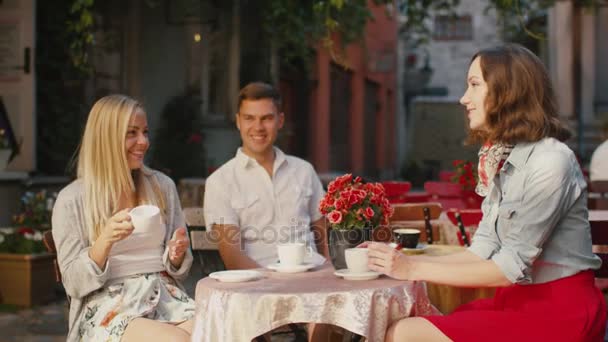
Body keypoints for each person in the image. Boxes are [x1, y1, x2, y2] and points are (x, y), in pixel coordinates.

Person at [366, 44, 606, 342]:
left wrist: (412, 267)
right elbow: (481, 251)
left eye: (474, 85)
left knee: (404, 333)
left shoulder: (551, 160)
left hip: (562, 313)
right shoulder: (503, 158)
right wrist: (394, 261)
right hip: (520, 302)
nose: (464, 98)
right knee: (410, 320)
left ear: (508, 91)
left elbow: (508, 269)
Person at [52, 95, 195, 342]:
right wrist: (104, 241)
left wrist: (176, 254)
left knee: (220, 331)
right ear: (106, 138)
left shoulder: (162, 186)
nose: (143, 142)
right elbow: (73, 284)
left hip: (166, 297)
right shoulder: (72, 200)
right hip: (109, 307)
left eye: (145, 132)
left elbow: (179, 270)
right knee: (176, 340)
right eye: (132, 133)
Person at [203, 81, 330, 340]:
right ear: (238, 121)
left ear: (280, 120)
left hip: (312, 285)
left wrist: (328, 273)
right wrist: (276, 283)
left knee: (338, 322)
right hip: (257, 291)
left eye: (266, 118)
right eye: (249, 118)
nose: (258, 127)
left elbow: (322, 235)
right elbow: (232, 256)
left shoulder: (303, 171)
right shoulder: (222, 181)